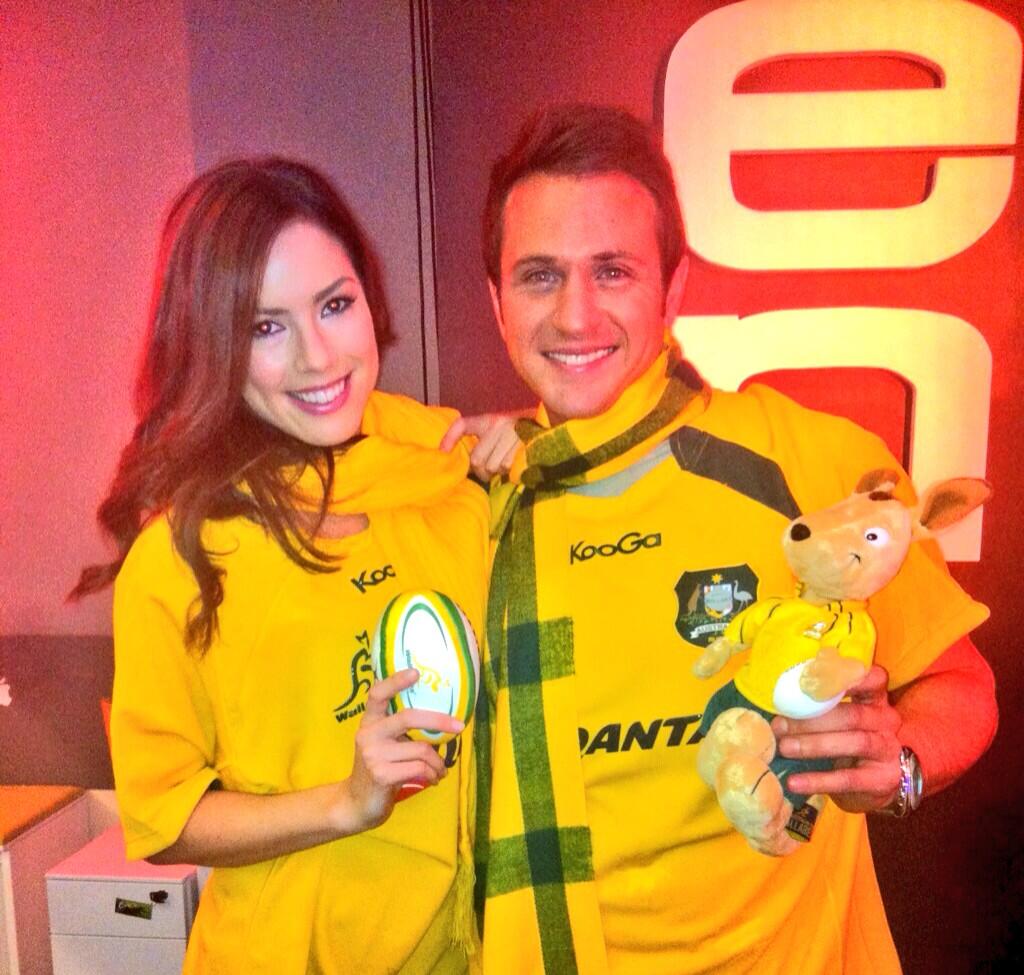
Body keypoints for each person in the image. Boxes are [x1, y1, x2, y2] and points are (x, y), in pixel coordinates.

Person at [461, 105, 998, 974]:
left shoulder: (815, 464)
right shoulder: (474, 503)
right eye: (538, 275)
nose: (574, 314)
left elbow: (963, 685)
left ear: (674, 287)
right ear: (495, 301)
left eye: (612, 270)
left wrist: (897, 765)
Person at [73, 158, 488, 974]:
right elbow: (165, 817)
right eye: (266, 328)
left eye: (335, 305)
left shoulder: (448, 473)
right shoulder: (183, 554)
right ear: (214, 346)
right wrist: (344, 802)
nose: (317, 356)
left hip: (463, 949)